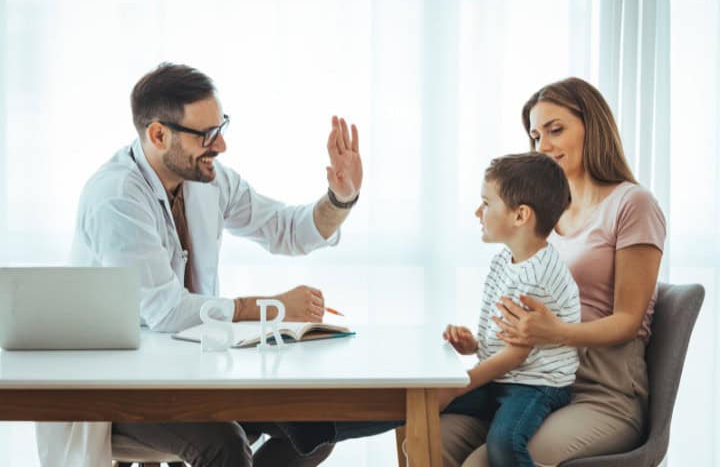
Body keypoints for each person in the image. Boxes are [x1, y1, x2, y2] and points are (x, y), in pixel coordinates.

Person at [35, 62, 363, 467]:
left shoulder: (207, 178)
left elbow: (286, 230)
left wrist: (339, 198)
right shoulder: (116, 197)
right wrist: (269, 307)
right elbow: (166, 311)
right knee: (222, 443)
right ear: (158, 134)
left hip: (191, 372)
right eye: (208, 135)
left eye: (222, 127)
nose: (221, 145)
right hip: (118, 389)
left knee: (314, 429)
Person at [441, 77, 666, 466]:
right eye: (534, 136)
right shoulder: (543, 212)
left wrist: (556, 333)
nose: (543, 146)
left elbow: (628, 321)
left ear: (592, 126)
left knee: (485, 462)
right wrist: (482, 340)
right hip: (528, 382)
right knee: (431, 434)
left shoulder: (633, 205)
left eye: (555, 130)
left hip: (602, 394)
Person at [438, 152, 581, 467]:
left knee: (504, 443)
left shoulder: (538, 277)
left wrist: (458, 384)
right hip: (505, 376)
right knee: (423, 404)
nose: (478, 211)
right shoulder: (505, 260)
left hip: (537, 385)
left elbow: (517, 355)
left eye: (486, 203)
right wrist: (475, 344)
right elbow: (506, 340)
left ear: (520, 216)